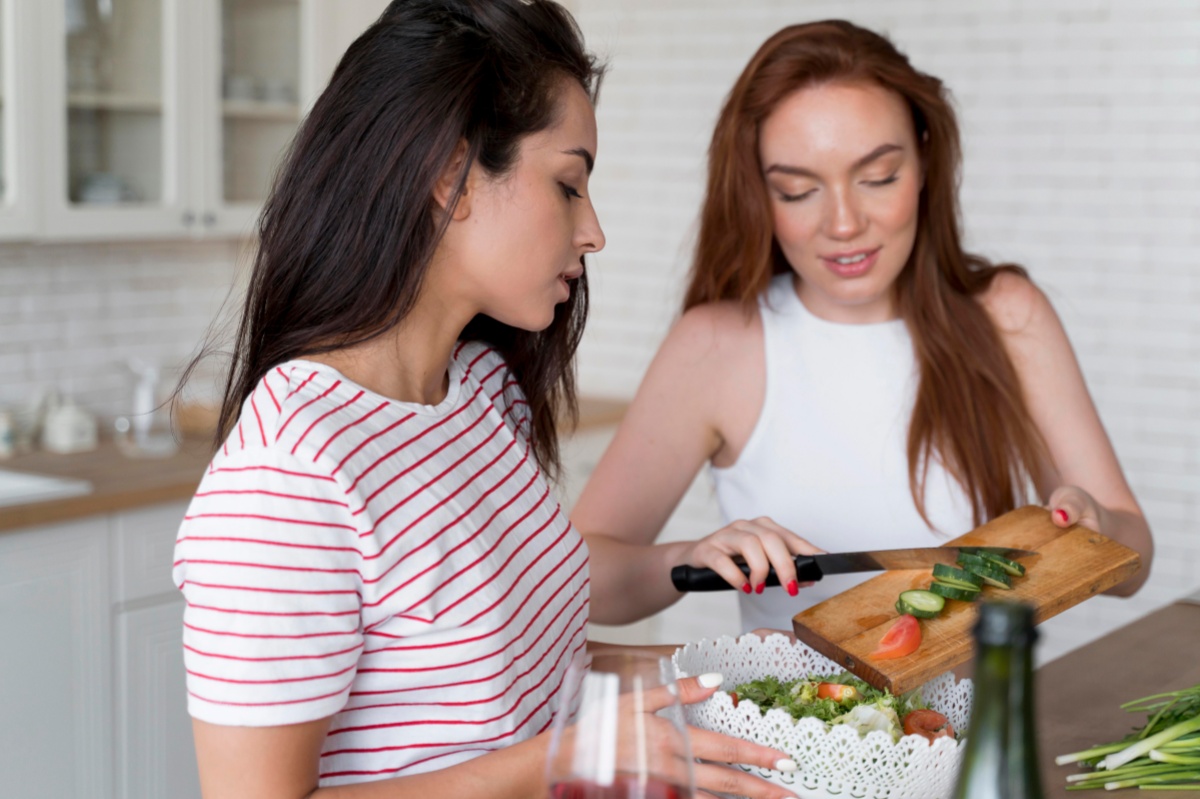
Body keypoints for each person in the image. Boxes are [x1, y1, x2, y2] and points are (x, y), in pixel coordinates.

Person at [172, 1, 799, 797]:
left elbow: (527, 679)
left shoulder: (478, 393)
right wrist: (566, 757)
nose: (594, 230)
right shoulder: (290, 473)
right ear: (450, 177)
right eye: (568, 184)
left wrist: (750, 679)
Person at [572, 19, 1153, 634]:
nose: (844, 223)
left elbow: (1134, 553)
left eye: (878, 178)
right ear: (758, 195)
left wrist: (1096, 524)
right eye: (798, 191)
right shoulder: (716, 345)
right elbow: (580, 576)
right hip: (779, 728)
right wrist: (684, 558)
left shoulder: (1009, 316)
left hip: (983, 729)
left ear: (926, 161)